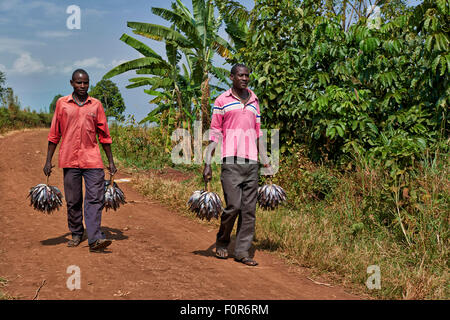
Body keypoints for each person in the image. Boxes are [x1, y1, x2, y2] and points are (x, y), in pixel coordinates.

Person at [203, 63, 273, 266]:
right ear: (232, 77)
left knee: (249, 210)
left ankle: (242, 252)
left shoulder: (254, 100)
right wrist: (207, 163)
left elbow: (258, 132)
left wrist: (266, 162)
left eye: (247, 75)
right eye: (241, 75)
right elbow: (215, 131)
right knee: (233, 206)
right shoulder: (222, 100)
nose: (245, 78)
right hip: (231, 162)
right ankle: (223, 242)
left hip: (251, 163)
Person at [43, 69, 117, 253]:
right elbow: (54, 134)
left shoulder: (96, 105)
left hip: (92, 160)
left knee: (94, 199)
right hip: (69, 160)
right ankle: (77, 233)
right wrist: (47, 161)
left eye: (85, 83)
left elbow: (104, 136)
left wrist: (111, 161)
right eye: (79, 83)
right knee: (73, 200)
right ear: (71, 83)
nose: (82, 86)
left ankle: (94, 238)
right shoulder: (62, 104)